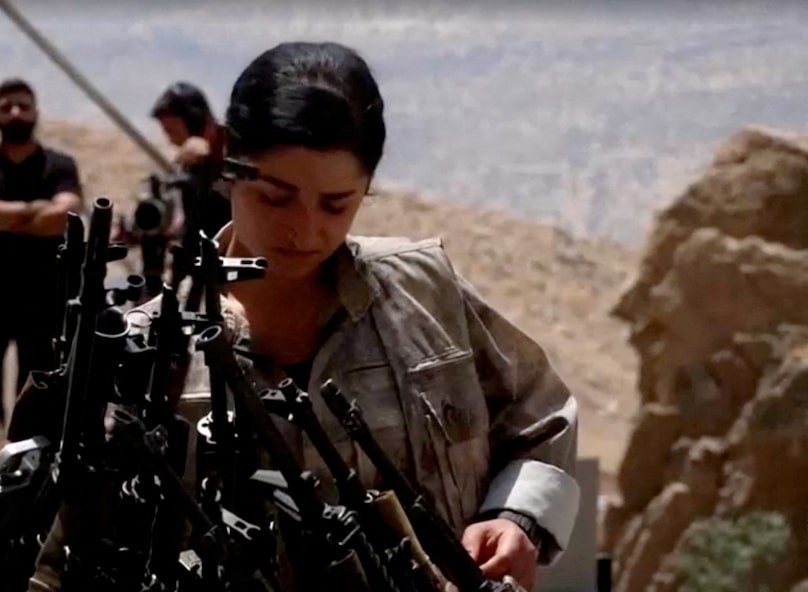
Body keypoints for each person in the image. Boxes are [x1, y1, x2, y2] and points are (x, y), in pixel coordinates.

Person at [31, 42, 579, 592]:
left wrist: (516, 518)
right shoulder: (145, 355)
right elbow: (58, 556)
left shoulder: (425, 294)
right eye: (276, 197)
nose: (305, 229)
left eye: (336, 203)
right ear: (229, 167)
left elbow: (542, 418)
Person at [0, 78, 84, 422]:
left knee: (38, 401)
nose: (15, 113)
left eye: (23, 106)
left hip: (44, 300)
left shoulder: (59, 166)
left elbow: (61, 218)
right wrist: (33, 212)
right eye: (6, 107)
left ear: (36, 113)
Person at [150, 81, 232, 238]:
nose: (171, 140)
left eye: (172, 131)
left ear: (193, 120)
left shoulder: (230, 146)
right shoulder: (190, 163)